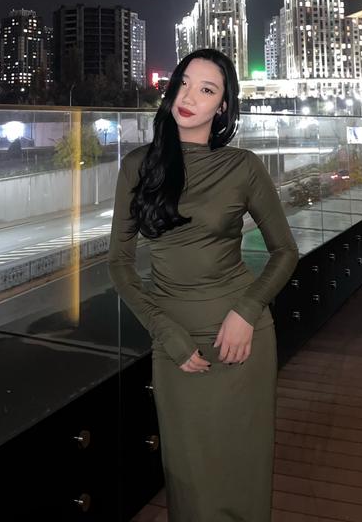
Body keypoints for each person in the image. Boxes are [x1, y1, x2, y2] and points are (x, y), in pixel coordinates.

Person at [108, 48, 299, 522]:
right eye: (184, 83)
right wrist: (165, 333)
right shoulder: (138, 166)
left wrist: (247, 312)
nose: (189, 97)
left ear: (223, 106)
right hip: (174, 341)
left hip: (241, 338)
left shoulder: (243, 166)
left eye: (207, 90)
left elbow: (284, 252)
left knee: (242, 475)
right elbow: (120, 264)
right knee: (189, 482)